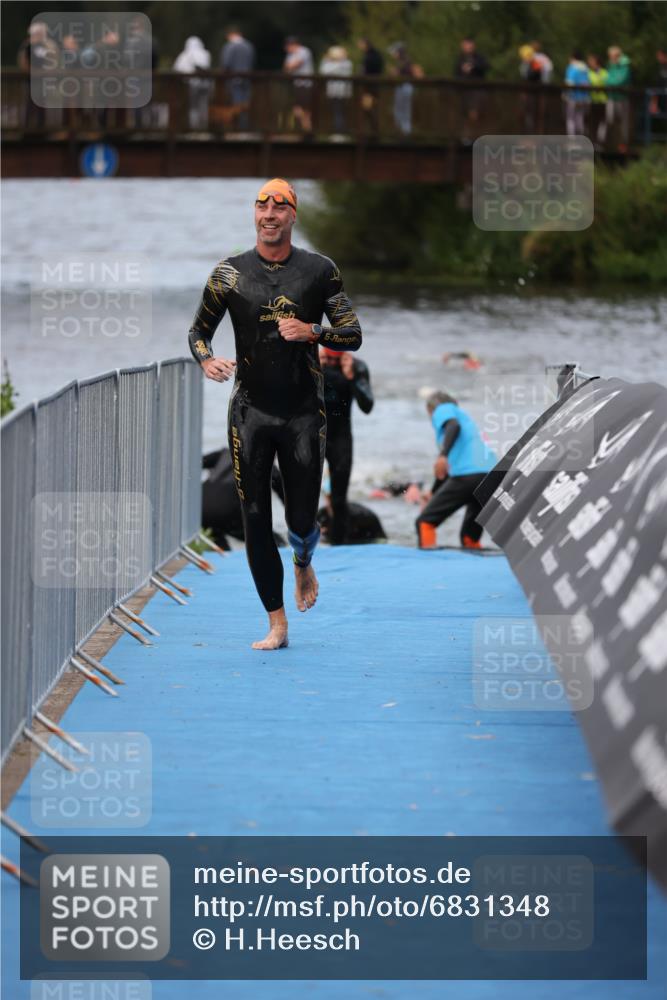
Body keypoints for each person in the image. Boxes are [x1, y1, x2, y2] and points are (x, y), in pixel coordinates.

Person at [188, 178, 362, 649]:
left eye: (279, 206)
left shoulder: (319, 271)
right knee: (254, 516)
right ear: (254, 214)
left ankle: (304, 561)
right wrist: (207, 359)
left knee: (302, 520)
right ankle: (277, 623)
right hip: (251, 413)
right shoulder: (229, 274)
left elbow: (352, 333)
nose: (269, 214)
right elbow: (198, 333)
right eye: (262, 206)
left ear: (293, 216)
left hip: (305, 414)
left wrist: (313, 331)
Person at [415, 391, 497, 549]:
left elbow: (453, 425)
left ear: (431, 410)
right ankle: (475, 562)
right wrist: (432, 494)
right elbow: (445, 473)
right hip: (490, 477)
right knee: (469, 537)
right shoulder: (467, 424)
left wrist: (442, 455)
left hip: (468, 475)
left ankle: (426, 564)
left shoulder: (444, 408)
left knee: (424, 522)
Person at [319, 346, 374, 545]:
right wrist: (315, 367)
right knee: (304, 493)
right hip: (313, 434)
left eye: (336, 360)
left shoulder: (357, 367)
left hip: (341, 437)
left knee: (339, 500)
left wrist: (351, 377)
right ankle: (303, 546)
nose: (333, 364)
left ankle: (338, 545)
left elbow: (367, 406)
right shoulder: (312, 361)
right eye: (330, 360)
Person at [202, 448, 284, 550]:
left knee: (218, 547)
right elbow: (289, 502)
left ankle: (220, 556)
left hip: (201, 510)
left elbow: (195, 463)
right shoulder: (268, 466)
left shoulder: (225, 453)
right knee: (276, 542)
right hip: (229, 512)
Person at [220, 27, 255, 130]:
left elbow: (226, 64)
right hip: (247, 79)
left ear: (230, 35)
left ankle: (236, 129)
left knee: (235, 105)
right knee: (245, 105)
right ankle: (244, 127)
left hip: (233, 80)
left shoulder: (229, 46)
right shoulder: (249, 46)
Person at [173, 36, 212, 130]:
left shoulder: (185, 55)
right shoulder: (205, 53)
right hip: (205, 84)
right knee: (204, 105)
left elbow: (176, 68)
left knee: (193, 106)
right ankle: (204, 125)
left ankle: (193, 126)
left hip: (191, 85)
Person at [598, 46, 631, 149]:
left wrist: (608, 82)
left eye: (612, 56)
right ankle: (602, 142)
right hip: (611, 97)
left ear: (617, 56)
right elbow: (607, 79)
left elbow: (619, 81)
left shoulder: (625, 67)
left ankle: (623, 145)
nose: (610, 58)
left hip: (622, 98)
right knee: (608, 120)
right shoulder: (611, 66)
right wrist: (608, 81)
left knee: (623, 123)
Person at [454, 38, 488, 138]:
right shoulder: (460, 59)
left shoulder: (478, 57)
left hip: (477, 91)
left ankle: (475, 136)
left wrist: (473, 67)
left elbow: (486, 66)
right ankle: (467, 137)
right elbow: (456, 74)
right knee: (465, 115)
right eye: (465, 45)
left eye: (469, 45)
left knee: (474, 114)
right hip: (464, 91)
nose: (467, 47)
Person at [388, 42, 423, 136]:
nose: (394, 54)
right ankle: (402, 131)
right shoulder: (403, 61)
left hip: (405, 87)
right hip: (402, 87)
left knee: (404, 110)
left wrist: (395, 72)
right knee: (400, 110)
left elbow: (404, 73)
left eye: (395, 52)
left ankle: (405, 132)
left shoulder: (405, 61)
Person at [284, 36, 315, 133]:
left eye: (288, 45)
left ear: (294, 44)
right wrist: (290, 66)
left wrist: (291, 66)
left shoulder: (304, 51)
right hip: (296, 84)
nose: (286, 48)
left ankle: (307, 129)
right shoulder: (290, 54)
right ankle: (306, 128)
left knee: (304, 109)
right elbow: (286, 67)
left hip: (306, 84)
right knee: (298, 109)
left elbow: (295, 65)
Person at [319, 45, 353, 135]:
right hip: (334, 92)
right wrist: (326, 60)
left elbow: (325, 70)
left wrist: (327, 60)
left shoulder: (345, 63)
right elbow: (323, 71)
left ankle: (339, 131)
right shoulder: (336, 63)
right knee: (337, 111)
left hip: (341, 92)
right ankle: (339, 130)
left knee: (339, 111)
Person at [358, 38, 384, 134]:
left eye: (361, 44)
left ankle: (372, 132)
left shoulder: (369, 56)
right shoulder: (376, 55)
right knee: (370, 108)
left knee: (368, 108)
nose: (359, 47)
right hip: (374, 85)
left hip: (369, 86)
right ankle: (373, 131)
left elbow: (365, 71)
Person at [564, 50, 590, 136]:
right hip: (584, 97)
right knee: (580, 118)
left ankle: (571, 139)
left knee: (570, 119)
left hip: (573, 97)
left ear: (572, 58)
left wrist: (565, 94)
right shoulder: (585, 68)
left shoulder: (572, 67)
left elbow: (569, 82)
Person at [586, 54, 608, 146]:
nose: (589, 63)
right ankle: (591, 141)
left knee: (602, 122)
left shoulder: (604, 72)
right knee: (591, 122)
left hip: (602, 101)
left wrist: (597, 83)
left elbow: (606, 82)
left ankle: (600, 141)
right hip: (592, 100)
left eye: (591, 61)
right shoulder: (588, 72)